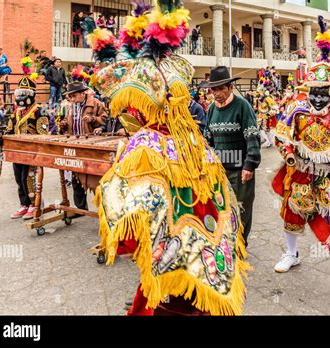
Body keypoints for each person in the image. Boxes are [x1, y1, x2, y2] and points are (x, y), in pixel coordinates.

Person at [92, 0, 249, 316]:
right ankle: (186, 287)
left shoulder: (149, 75)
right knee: (186, 220)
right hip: (190, 149)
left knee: (145, 210)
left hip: (170, 149)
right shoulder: (176, 69)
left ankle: (170, 288)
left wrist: (113, 54)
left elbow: (108, 83)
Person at [271, 16, 330, 315]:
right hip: (299, 173)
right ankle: (292, 254)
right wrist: (289, 153)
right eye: (312, 91)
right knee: (291, 217)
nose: (316, 97)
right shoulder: (297, 110)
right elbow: (281, 136)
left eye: (322, 92)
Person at [202, 66, 261, 246]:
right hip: (219, 170)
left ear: (230, 88)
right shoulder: (211, 109)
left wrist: (249, 165)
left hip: (240, 169)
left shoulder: (243, 106)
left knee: (241, 209)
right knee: (221, 208)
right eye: (214, 90)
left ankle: (240, 246)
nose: (217, 93)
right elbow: (208, 139)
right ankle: (226, 244)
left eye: (221, 89)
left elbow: (252, 137)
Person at [3, 75, 48, 220]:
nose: (21, 97)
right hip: (17, 151)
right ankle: (24, 204)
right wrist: (3, 138)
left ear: (32, 95)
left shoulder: (39, 111)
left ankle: (35, 204)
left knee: (28, 178)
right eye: (19, 94)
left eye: (25, 94)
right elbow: (9, 130)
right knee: (18, 178)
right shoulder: (16, 112)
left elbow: (43, 134)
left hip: (32, 152)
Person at [59, 81, 108, 211]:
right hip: (75, 144)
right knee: (76, 179)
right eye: (70, 97)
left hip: (91, 146)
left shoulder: (96, 103)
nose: (72, 99)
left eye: (74, 96)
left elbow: (105, 120)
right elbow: (70, 122)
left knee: (96, 179)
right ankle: (80, 209)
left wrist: (93, 120)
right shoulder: (70, 107)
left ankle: (105, 209)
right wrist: (64, 125)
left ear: (83, 93)